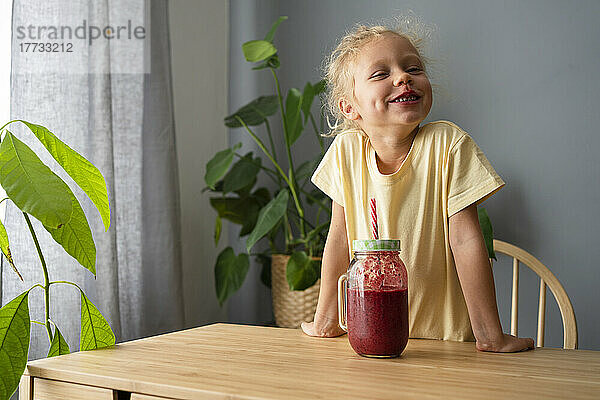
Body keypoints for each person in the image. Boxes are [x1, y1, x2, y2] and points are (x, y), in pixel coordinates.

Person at [300, 18, 534, 352]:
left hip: (444, 343)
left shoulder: (449, 145)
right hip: (369, 336)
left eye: (414, 68)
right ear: (350, 108)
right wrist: (326, 319)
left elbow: (467, 239)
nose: (403, 77)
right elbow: (339, 237)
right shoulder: (345, 152)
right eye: (382, 74)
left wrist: (489, 334)